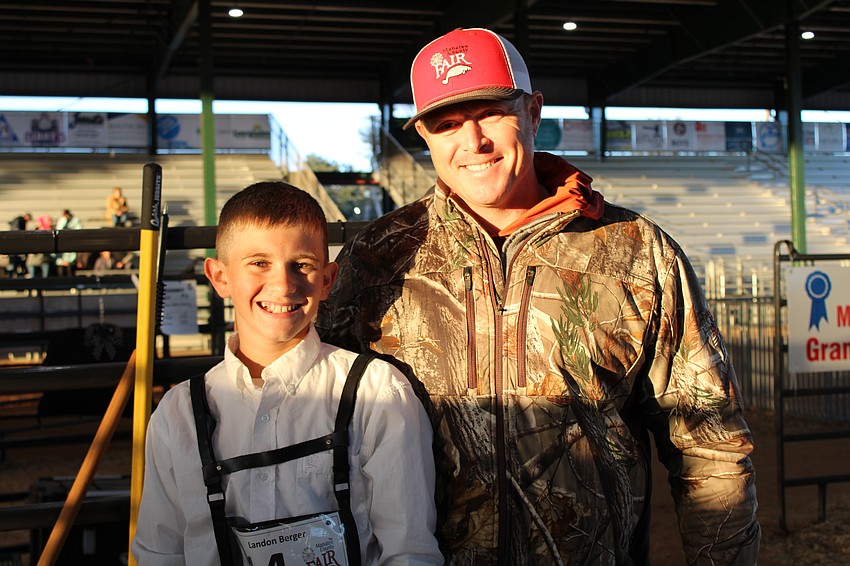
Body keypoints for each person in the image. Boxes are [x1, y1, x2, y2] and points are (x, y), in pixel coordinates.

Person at [318, 28, 760, 564]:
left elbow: (708, 443)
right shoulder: (377, 258)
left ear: (533, 111)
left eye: (491, 113)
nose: (472, 140)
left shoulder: (636, 252)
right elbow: (320, 426)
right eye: (447, 123)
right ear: (426, 138)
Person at [131, 181, 442, 565]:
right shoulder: (177, 414)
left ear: (327, 280)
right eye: (259, 263)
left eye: (302, 265)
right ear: (220, 277)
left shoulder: (377, 393)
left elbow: (409, 551)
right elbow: (160, 553)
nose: (282, 284)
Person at [54, 209, 83, 276]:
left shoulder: (75, 220)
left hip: (71, 244)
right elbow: (59, 228)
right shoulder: (62, 220)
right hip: (63, 249)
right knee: (61, 272)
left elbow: (78, 229)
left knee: (70, 271)